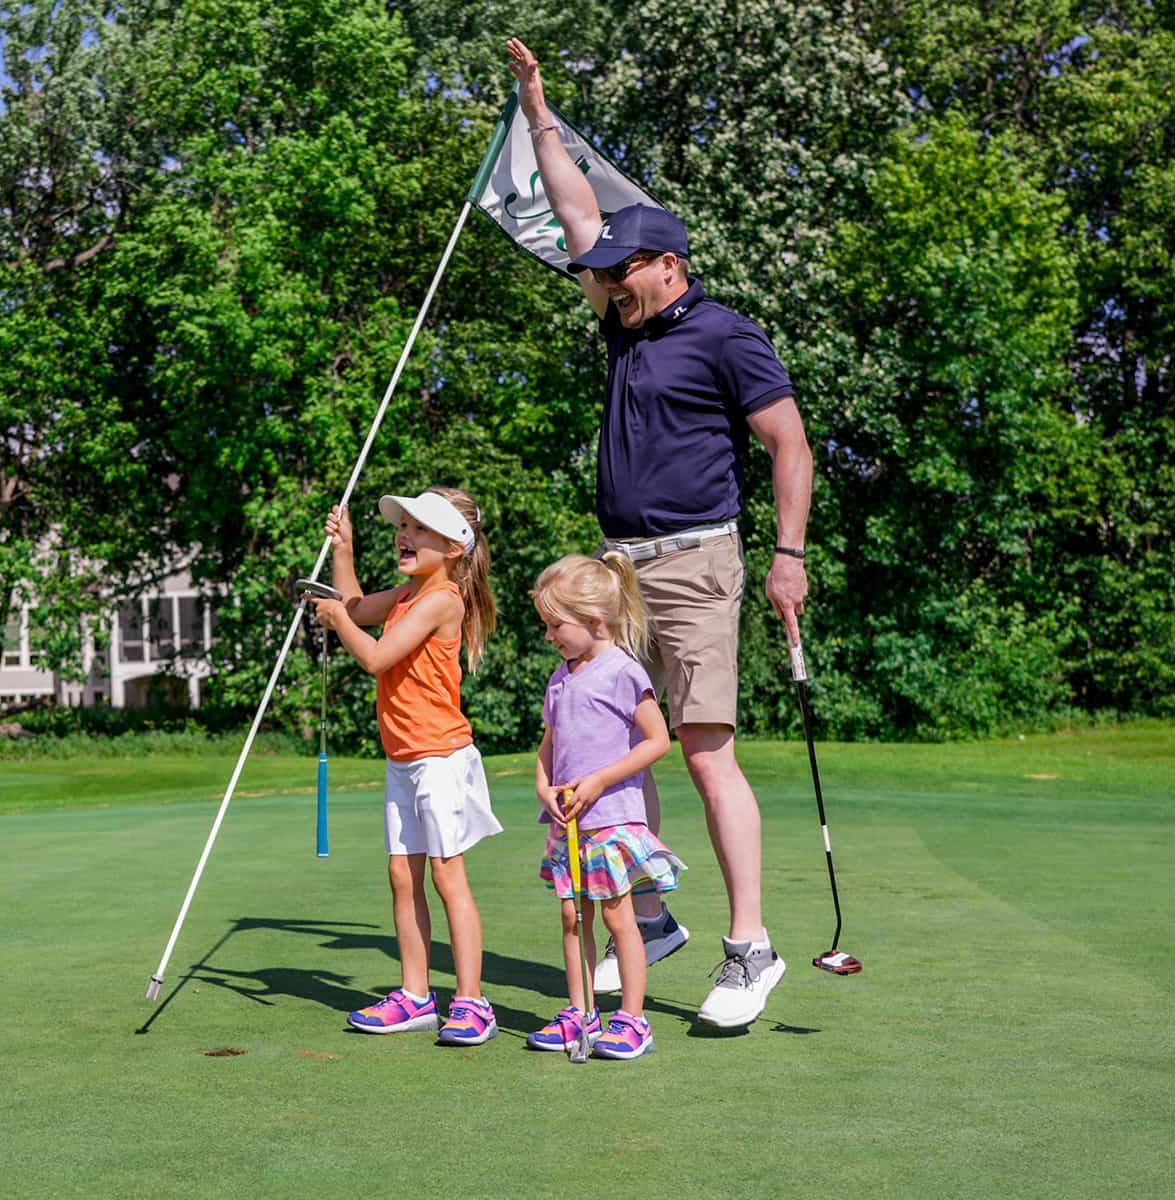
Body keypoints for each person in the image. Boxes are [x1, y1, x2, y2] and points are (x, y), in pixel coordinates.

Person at [503, 39, 815, 1029]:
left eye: (620, 273)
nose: (605, 285)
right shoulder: (622, 323)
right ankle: (649, 915)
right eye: (601, 276)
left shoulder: (727, 334)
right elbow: (574, 212)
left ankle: (751, 948)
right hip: (618, 575)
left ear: (668, 266)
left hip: (697, 562)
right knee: (605, 739)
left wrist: (790, 555)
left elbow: (789, 444)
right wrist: (537, 108)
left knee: (704, 749)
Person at [307, 488, 504, 1046]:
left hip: (439, 758)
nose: (405, 535)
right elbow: (355, 606)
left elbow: (375, 656)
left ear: (453, 546)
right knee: (402, 875)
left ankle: (472, 1002)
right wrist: (343, 551)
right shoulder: (407, 594)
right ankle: (416, 996)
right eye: (404, 526)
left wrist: (335, 619)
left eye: (420, 529)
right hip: (403, 760)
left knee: (446, 876)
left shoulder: (441, 600)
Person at [524, 554, 682, 1060]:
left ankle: (633, 1020)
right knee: (573, 919)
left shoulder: (623, 672)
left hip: (611, 821)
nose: (549, 635)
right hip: (569, 824)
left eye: (556, 625)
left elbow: (657, 740)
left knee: (618, 920)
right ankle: (581, 1012)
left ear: (594, 620)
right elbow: (549, 745)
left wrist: (599, 780)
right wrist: (544, 786)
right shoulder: (560, 678)